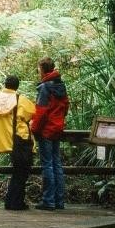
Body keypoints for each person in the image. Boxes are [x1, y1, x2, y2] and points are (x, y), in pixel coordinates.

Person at [0, 75, 35, 211]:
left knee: (17, 172)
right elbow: (33, 113)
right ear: (17, 86)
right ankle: (15, 203)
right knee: (22, 172)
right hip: (21, 141)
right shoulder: (21, 100)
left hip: (7, 143)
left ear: (5, 85)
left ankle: (11, 202)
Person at [31, 57, 69, 210]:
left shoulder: (45, 87)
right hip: (57, 128)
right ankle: (59, 201)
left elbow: (41, 112)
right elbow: (66, 106)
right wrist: (59, 120)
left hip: (46, 130)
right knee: (57, 164)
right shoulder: (60, 85)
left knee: (47, 165)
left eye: (39, 68)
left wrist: (34, 129)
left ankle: (49, 201)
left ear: (43, 69)